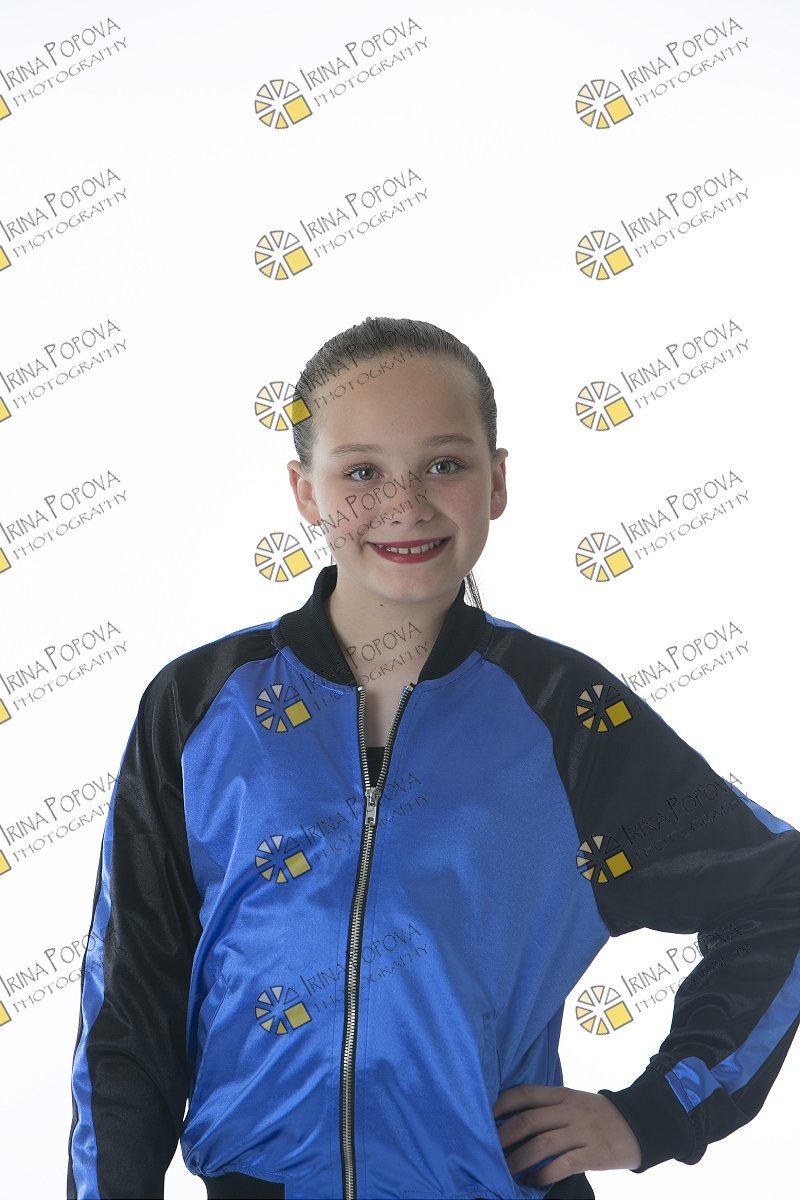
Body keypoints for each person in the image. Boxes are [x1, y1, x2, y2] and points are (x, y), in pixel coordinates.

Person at [67, 316, 800, 1200]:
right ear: (305, 491)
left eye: (445, 464)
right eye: (362, 473)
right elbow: (129, 1008)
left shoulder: (563, 711)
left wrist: (654, 1114)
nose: (405, 503)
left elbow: (779, 892)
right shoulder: (201, 706)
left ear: (498, 481)